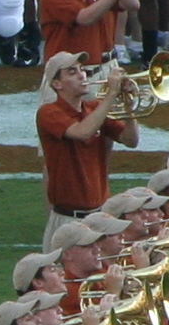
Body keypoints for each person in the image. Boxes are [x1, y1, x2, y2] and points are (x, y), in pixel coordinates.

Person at [36, 52, 138, 247]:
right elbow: (83, 132)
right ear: (57, 84)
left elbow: (131, 140)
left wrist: (128, 106)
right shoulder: (49, 112)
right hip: (68, 219)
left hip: (100, 214)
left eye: (82, 70)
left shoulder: (94, 108)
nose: (82, 75)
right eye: (72, 72)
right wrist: (111, 94)